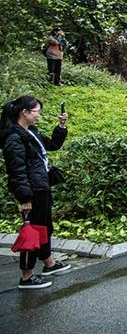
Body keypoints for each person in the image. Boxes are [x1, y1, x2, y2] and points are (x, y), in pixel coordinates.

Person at [1, 96, 70, 289]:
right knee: (32, 231)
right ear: (25, 112)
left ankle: (49, 263)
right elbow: (17, 171)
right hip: (31, 191)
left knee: (45, 227)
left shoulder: (30, 132)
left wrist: (61, 126)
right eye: (36, 111)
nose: (39, 115)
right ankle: (27, 276)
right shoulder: (14, 138)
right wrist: (24, 198)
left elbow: (53, 145)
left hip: (41, 187)